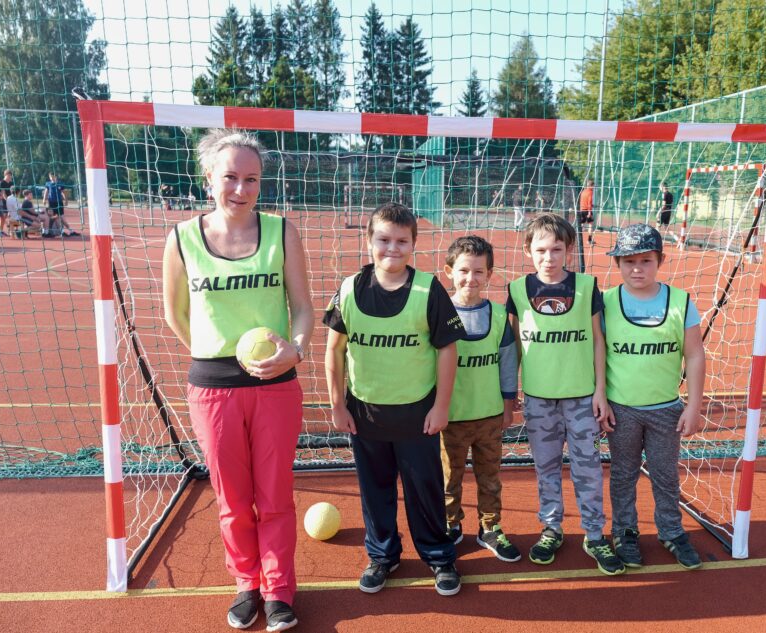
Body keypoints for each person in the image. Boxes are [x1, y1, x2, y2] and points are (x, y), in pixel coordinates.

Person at [162, 129, 314, 631]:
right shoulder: (182, 238)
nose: (241, 189)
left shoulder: (282, 232)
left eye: (252, 179)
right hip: (213, 387)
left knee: (274, 495)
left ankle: (278, 590)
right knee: (232, 499)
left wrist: (294, 350)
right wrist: (213, 353)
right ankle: (247, 583)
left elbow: (303, 307)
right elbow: (174, 314)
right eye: (230, 177)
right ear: (209, 178)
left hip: (275, 384)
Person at [323, 202, 465, 597]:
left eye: (402, 241)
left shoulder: (428, 289)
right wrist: (337, 404)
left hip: (417, 414)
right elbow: (334, 350)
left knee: (425, 489)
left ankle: (439, 555)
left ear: (413, 244)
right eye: (384, 239)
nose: (392, 248)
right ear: (369, 241)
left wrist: (441, 406)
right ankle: (383, 556)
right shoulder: (350, 289)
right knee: (375, 490)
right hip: (364, 413)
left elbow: (447, 349)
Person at [507, 213, 624, 576]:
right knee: (545, 467)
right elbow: (513, 346)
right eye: (541, 249)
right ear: (528, 251)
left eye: (557, 249)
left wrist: (600, 391)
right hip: (539, 400)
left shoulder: (587, 287)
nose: (549, 257)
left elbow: (599, 342)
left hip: (582, 399)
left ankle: (594, 534)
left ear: (569, 250)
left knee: (588, 468)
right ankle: (551, 528)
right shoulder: (517, 290)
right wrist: (510, 396)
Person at [602, 224, 706, 571]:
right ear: (618, 263)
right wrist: (600, 398)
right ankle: (624, 531)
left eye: (645, 260)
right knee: (623, 474)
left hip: (665, 409)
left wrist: (693, 406)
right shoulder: (606, 302)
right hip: (622, 410)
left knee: (665, 475)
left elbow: (694, 355)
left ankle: (671, 531)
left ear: (660, 260)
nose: (637, 269)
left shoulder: (680, 302)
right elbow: (597, 355)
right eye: (628, 261)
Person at [440, 235, 521, 562]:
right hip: (451, 417)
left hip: (489, 416)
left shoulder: (498, 315)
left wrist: (507, 406)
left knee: (490, 477)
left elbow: (507, 363)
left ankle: (490, 526)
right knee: (449, 477)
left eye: (478, 272)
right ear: (449, 271)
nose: (470, 278)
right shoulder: (438, 313)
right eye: (463, 271)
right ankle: (449, 523)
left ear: (489, 274)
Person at [42, 172, 79, 237]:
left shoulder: (60, 184)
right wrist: (44, 199)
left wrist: (66, 200)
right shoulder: (48, 184)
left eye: (53, 176)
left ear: (56, 176)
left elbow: (63, 192)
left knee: (61, 217)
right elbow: (46, 191)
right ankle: (55, 231)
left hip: (59, 202)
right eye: (50, 177)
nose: (51, 178)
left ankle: (71, 231)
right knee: (54, 217)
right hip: (51, 203)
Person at [578, 178, 595, 244]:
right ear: (591, 186)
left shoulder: (583, 192)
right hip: (587, 210)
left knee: (581, 225)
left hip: (582, 210)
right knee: (590, 225)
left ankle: (577, 239)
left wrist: (592, 205)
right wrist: (589, 212)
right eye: (593, 186)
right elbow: (589, 202)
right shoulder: (590, 192)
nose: (593, 187)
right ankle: (589, 240)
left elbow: (583, 201)